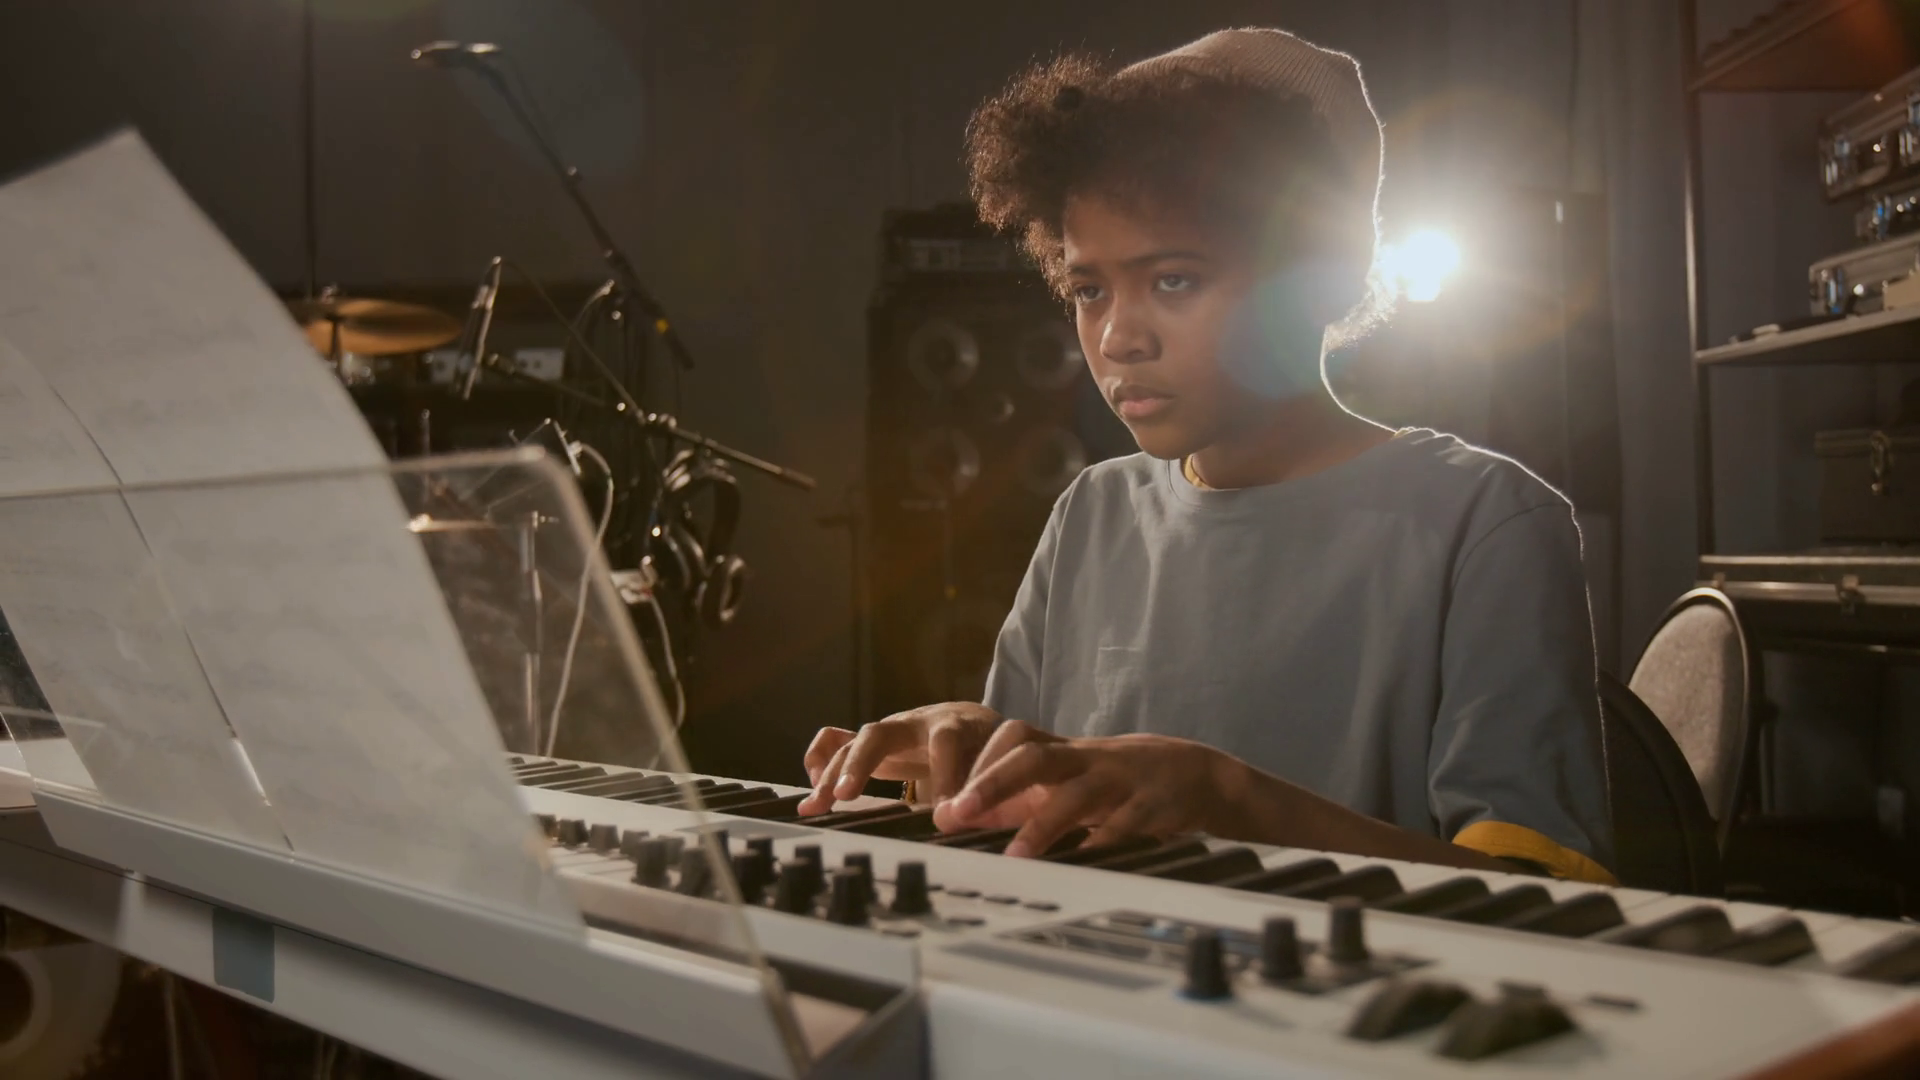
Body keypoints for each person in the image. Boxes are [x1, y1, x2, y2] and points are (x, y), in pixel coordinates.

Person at [801, 28, 1614, 883]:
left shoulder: (1486, 523)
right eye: (1088, 289)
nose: (1117, 337)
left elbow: (1547, 904)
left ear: (1325, 273)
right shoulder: (1091, 512)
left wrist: (1232, 800)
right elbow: (1020, 828)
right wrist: (966, 762)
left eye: (1175, 280)